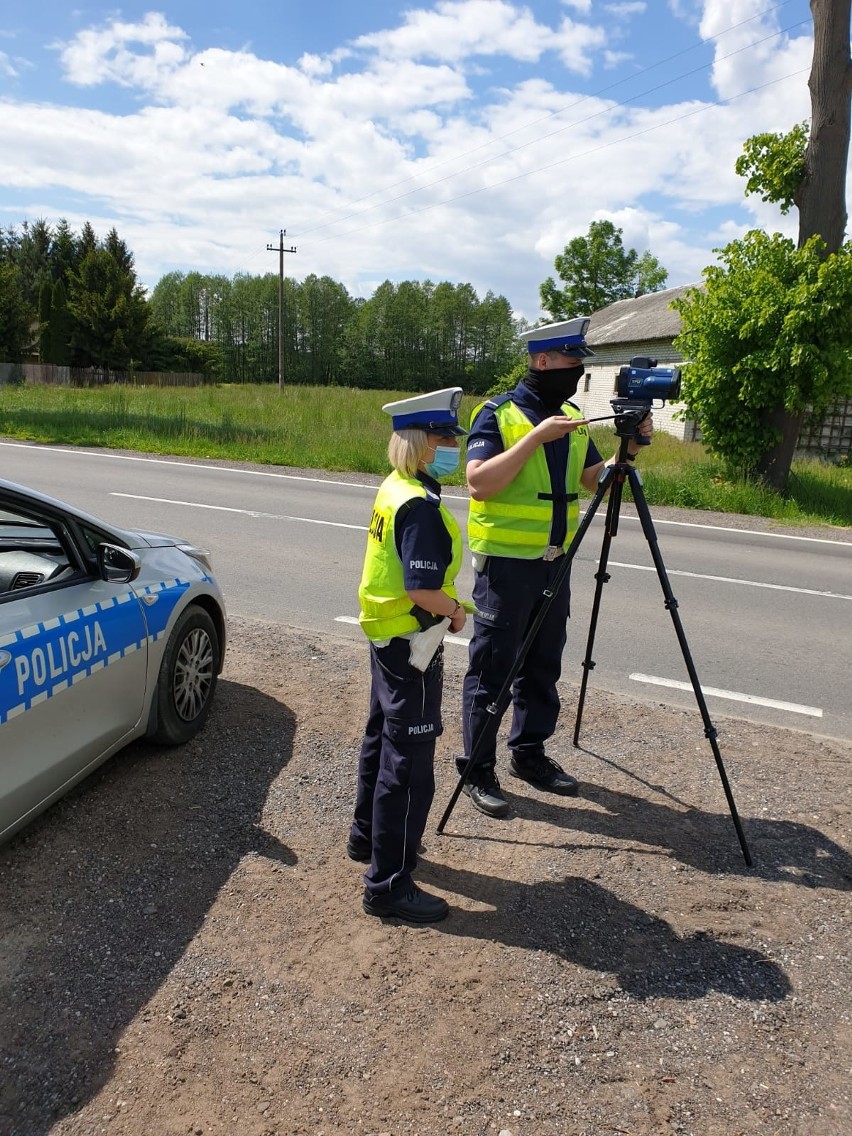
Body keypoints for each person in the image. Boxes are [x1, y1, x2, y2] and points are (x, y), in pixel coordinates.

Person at [459, 317, 653, 818]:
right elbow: (478, 482)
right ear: (542, 361)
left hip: (555, 563)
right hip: (505, 568)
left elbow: (594, 482)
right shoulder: (496, 415)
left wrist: (626, 449)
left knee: (543, 666)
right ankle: (477, 769)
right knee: (492, 671)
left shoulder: (568, 416)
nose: (576, 374)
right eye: (571, 363)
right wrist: (535, 439)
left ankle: (529, 754)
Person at [349, 387, 468, 923]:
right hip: (412, 644)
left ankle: (366, 838)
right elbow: (422, 589)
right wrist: (457, 612)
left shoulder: (396, 486)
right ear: (423, 444)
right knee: (411, 766)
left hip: (385, 636)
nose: (454, 448)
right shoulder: (418, 505)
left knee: (381, 736)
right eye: (446, 439)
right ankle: (389, 883)